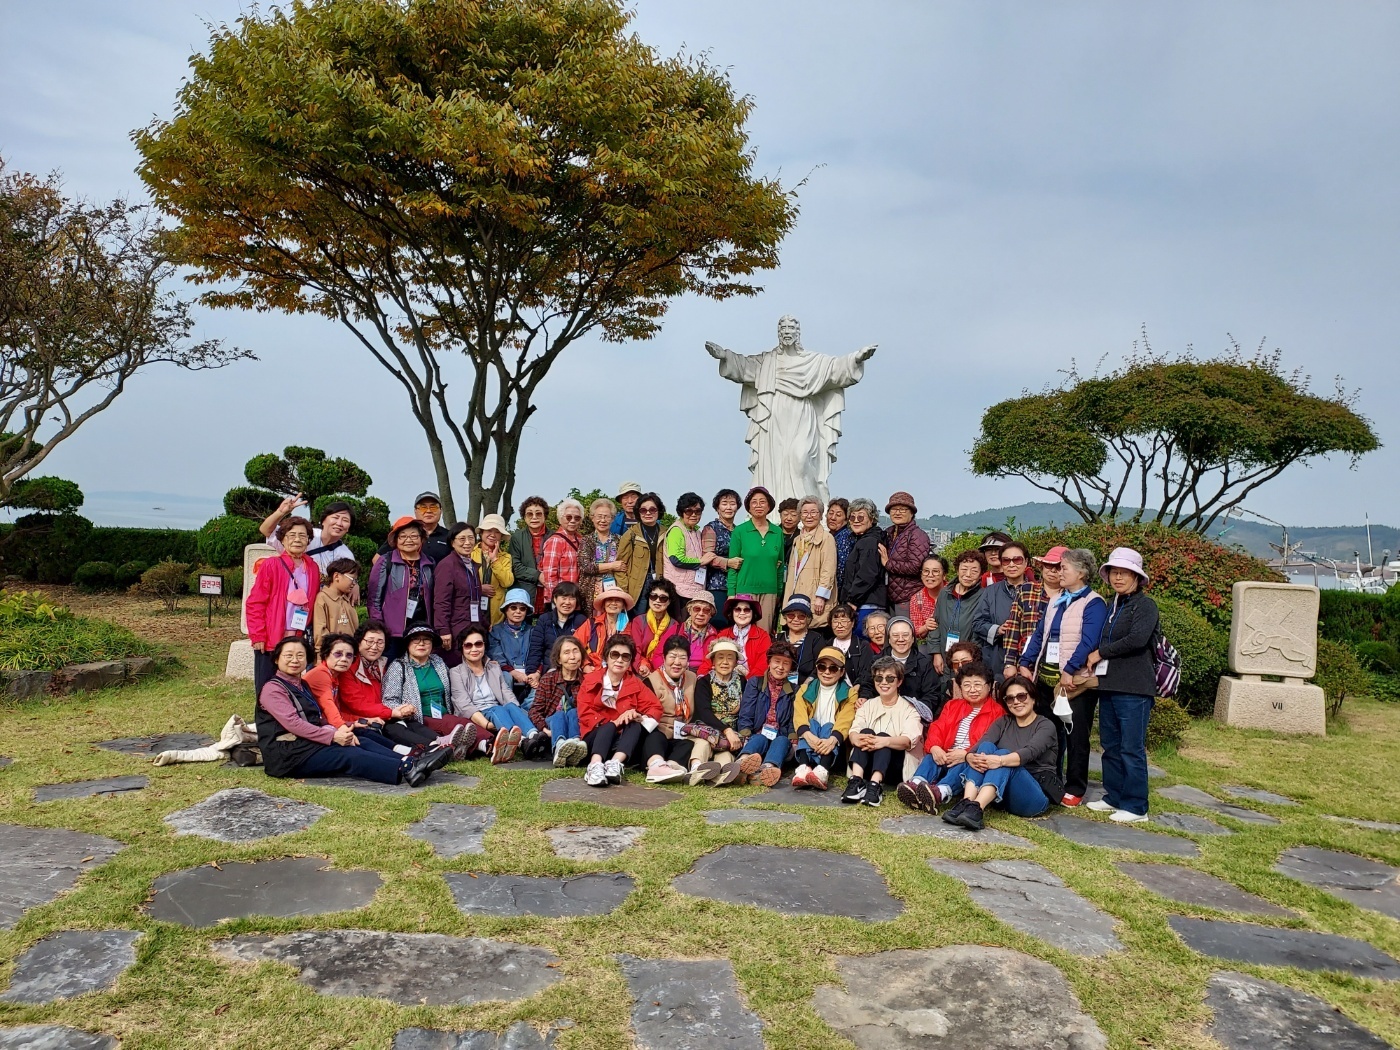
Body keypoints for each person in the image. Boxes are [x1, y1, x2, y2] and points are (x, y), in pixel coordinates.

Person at [256, 636, 449, 787]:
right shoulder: (273, 689)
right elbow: (293, 723)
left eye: (300, 655)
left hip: (306, 744)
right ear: (277, 659)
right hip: (287, 755)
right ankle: (406, 768)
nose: (295, 660)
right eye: (288, 656)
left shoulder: (301, 684)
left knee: (359, 739)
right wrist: (333, 735)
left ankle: (411, 761)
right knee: (348, 755)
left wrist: (344, 728)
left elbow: (317, 717)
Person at [1018, 547, 1106, 807]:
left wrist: (1070, 668)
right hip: (1046, 678)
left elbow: (1089, 640)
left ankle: (1076, 786)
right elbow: (1040, 634)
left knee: (1075, 735)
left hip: (1074, 683)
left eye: (1064, 568)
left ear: (1081, 572)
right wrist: (1025, 662)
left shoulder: (1094, 603)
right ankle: (1050, 778)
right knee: (1048, 733)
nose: (1059, 572)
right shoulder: (1058, 599)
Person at [1083, 547, 1160, 824]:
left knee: (1131, 747)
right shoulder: (1113, 605)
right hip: (1109, 685)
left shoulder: (1145, 605)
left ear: (1137, 577)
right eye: (1114, 572)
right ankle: (1114, 796)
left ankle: (1137, 806)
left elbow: (1137, 639)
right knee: (1110, 745)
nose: (1118, 578)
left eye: (1124, 573)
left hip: (1134, 687)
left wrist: (1101, 653)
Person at [940, 679, 1063, 830]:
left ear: (1033, 698)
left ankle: (977, 807)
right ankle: (967, 802)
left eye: (1021, 696)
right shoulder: (1003, 722)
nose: (1016, 702)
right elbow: (980, 745)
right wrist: (969, 756)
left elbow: (1029, 753)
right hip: (1003, 793)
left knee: (1004, 755)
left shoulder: (1046, 726)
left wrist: (999, 760)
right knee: (986, 747)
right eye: (1010, 698)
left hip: (1034, 796)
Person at [332, 621, 470, 755]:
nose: (374, 646)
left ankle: (440, 742)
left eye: (380, 642)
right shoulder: (350, 667)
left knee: (409, 723)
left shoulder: (380, 666)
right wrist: (391, 712)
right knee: (394, 727)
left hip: (380, 715)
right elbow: (357, 703)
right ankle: (436, 747)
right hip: (359, 719)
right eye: (369, 641)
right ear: (359, 642)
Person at [897, 661, 1005, 813]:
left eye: (977, 685)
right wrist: (935, 747)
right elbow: (938, 727)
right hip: (946, 753)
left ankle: (940, 792)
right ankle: (915, 786)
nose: (972, 690)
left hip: (969, 757)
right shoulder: (953, 705)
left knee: (964, 764)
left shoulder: (998, 712)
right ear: (960, 688)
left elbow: (989, 741)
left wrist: (966, 754)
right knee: (931, 757)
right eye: (966, 685)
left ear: (989, 686)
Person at [246, 516, 320, 697]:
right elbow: (255, 602)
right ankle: (264, 716)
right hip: (271, 637)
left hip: (297, 636)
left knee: (291, 686)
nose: (297, 540)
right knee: (266, 687)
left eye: (302, 536)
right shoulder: (271, 565)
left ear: (308, 540)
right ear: (283, 539)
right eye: (291, 535)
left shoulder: (313, 567)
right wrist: (258, 635)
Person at [578, 633, 665, 787]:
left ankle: (615, 764)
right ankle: (594, 765)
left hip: (623, 741)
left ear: (630, 662)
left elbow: (655, 708)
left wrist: (639, 716)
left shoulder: (635, 683)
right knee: (609, 727)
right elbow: (585, 713)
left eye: (625, 657)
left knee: (634, 723)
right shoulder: (590, 680)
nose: (619, 660)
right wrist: (615, 722)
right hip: (597, 737)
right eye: (615, 654)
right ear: (606, 657)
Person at [447, 625, 543, 762]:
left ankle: (534, 736)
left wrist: (516, 711)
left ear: (484, 646)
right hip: (477, 715)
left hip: (498, 711)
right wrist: (486, 724)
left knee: (510, 705)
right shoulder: (456, 672)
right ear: (462, 648)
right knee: (498, 709)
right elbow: (463, 705)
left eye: (478, 644)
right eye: (468, 645)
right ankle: (522, 741)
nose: (474, 649)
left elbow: (506, 692)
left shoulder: (494, 667)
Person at [382, 623, 483, 753]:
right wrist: (403, 709)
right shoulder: (398, 666)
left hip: (444, 714)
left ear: (432, 644)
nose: (421, 643)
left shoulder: (438, 662)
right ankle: (487, 744)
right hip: (419, 719)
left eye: (426, 640)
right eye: (416, 639)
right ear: (408, 644)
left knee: (458, 722)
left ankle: (474, 746)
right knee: (455, 724)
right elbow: (388, 700)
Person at [843, 655, 925, 806]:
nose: (884, 683)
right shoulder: (867, 706)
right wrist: (857, 738)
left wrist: (884, 741)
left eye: (890, 678)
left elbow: (908, 741)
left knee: (883, 737)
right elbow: (854, 731)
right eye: (879, 678)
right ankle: (856, 781)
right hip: (866, 763)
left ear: (899, 681)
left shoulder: (910, 709)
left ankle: (875, 786)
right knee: (865, 731)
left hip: (894, 768)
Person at [367, 516, 439, 660]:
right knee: (392, 666)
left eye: (414, 536)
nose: (409, 540)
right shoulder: (386, 561)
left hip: (421, 628)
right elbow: (374, 597)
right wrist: (379, 626)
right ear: (395, 540)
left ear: (421, 538)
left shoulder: (429, 563)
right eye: (403, 536)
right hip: (392, 631)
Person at [791, 645, 858, 791]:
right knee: (810, 723)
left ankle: (823, 770)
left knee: (828, 726)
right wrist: (809, 736)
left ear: (842, 672)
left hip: (834, 745)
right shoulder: (804, 689)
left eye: (833, 668)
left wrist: (832, 740)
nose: (826, 672)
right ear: (817, 668)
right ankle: (803, 768)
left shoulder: (850, 693)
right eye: (822, 667)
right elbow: (799, 716)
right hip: (809, 740)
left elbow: (845, 721)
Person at [735, 639, 799, 787]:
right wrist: (745, 734)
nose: (780, 667)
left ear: (791, 667)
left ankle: (766, 770)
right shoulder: (755, 683)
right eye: (777, 661)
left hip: (781, 737)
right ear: (769, 662)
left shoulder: (794, 690)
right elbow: (746, 713)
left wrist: (794, 740)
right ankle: (741, 763)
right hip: (757, 735)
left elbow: (793, 720)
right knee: (759, 738)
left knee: (781, 741)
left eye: (786, 663)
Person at [642, 636, 705, 783]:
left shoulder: (692, 678)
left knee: (689, 744)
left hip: (682, 735)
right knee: (654, 737)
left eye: (682, 657)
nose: (677, 662)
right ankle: (656, 765)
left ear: (688, 661)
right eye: (672, 656)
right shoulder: (651, 681)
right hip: (659, 734)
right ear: (664, 658)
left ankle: (672, 766)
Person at [689, 638, 749, 785]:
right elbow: (704, 712)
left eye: (730, 658)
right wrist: (726, 730)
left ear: (736, 662)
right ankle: (696, 771)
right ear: (713, 661)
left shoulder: (742, 681)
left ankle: (720, 777)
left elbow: (746, 710)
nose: (725, 662)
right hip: (707, 730)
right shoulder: (704, 682)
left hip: (730, 736)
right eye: (720, 657)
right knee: (703, 744)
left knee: (726, 754)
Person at [972, 540, 1034, 677]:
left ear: (1026, 562)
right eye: (1006, 561)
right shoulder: (990, 592)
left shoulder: (1037, 592)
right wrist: (997, 629)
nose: (1011, 565)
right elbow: (977, 623)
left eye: (1017, 560)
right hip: (997, 658)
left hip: (1030, 659)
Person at [726, 487, 786, 630]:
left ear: (769, 506)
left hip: (769, 591)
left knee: (763, 633)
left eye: (762, 502)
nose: (758, 505)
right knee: (742, 631)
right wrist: (731, 593)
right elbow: (733, 566)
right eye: (754, 502)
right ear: (748, 507)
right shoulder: (740, 531)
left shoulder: (777, 532)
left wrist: (778, 592)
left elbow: (780, 566)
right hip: (744, 590)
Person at [1001, 545, 1064, 680]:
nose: (1052, 570)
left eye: (1058, 567)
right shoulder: (1026, 590)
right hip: (1025, 662)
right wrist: (1009, 663)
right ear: (1042, 566)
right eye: (1048, 565)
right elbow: (1013, 626)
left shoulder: (1071, 596)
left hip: (1057, 664)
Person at [260, 497, 358, 578]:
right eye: (335, 517)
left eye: (345, 520)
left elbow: (348, 581)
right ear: (323, 520)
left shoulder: (346, 555)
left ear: (348, 528)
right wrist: (280, 512)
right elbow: (266, 530)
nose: (339, 523)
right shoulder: (304, 534)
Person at [529, 634, 589, 767]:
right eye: (566, 653)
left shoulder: (587, 681)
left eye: (575, 651)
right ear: (559, 659)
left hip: (577, 724)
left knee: (573, 712)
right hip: (553, 723)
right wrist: (544, 729)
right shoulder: (548, 679)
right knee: (560, 714)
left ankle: (576, 745)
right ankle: (559, 746)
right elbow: (534, 711)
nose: (572, 657)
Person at [433, 522, 485, 665]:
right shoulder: (447, 565)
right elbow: (441, 601)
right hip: (455, 627)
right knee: (456, 666)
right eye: (462, 539)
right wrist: (443, 630)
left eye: (471, 538)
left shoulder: (472, 565)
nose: (467, 543)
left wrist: (484, 623)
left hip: (473, 625)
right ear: (452, 542)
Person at [783, 495, 837, 628]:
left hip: (815, 596)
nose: (809, 516)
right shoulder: (798, 540)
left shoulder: (826, 538)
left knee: (815, 628)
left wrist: (821, 597)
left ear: (820, 515)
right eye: (805, 512)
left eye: (813, 512)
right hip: (797, 594)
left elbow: (828, 570)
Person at [931, 550, 986, 677]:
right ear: (957, 570)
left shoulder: (983, 596)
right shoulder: (945, 593)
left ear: (980, 575)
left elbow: (980, 633)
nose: (968, 574)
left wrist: (969, 659)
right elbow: (935, 624)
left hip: (968, 661)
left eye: (974, 571)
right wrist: (936, 653)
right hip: (943, 657)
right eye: (964, 569)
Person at [839, 498, 886, 634]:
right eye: (852, 517)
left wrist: (852, 600)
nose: (856, 521)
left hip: (865, 604)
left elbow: (867, 574)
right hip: (867, 602)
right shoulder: (865, 540)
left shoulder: (868, 542)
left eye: (860, 517)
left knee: (862, 641)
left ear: (871, 519)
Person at [525, 581, 586, 681]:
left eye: (572, 598)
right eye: (564, 598)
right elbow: (536, 649)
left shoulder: (582, 621)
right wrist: (532, 673)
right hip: (549, 671)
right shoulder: (544, 619)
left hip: (574, 672)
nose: (567, 602)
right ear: (555, 599)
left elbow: (585, 651)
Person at [882, 492, 930, 618]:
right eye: (894, 509)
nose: (897, 513)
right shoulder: (888, 533)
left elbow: (915, 566)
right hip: (890, 597)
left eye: (902, 509)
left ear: (912, 513)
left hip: (908, 596)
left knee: (905, 629)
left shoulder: (917, 535)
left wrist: (888, 563)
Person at [884, 615, 942, 719]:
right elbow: (868, 688)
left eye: (905, 635)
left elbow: (932, 695)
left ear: (912, 638)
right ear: (888, 639)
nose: (901, 639)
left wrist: (913, 711)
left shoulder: (924, 664)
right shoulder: (877, 662)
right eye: (895, 635)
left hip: (914, 716)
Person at [700, 488, 741, 628]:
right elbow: (708, 556)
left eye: (732, 504)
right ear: (717, 508)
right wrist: (728, 563)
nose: (728, 507)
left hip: (737, 585)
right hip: (717, 585)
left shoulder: (739, 530)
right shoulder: (711, 528)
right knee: (719, 624)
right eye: (724, 503)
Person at [617, 491, 667, 607]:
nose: (648, 513)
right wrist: (624, 590)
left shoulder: (666, 533)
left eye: (652, 509)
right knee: (639, 617)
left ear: (659, 511)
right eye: (643, 510)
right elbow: (620, 565)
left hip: (660, 583)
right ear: (638, 512)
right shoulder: (631, 534)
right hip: (638, 586)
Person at [662, 491, 708, 612]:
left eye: (698, 511)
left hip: (693, 589)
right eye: (689, 511)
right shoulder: (676, 530)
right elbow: (676, 559)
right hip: (678, 590)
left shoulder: (696, 531)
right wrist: (700, 562)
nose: (693, 514)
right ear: (681, 512)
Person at [578, 497, 624, 613]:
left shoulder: (620, 540)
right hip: (592, 590)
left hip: (614, 590)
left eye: (606, 516)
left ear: (612, 519)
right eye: (599, 516)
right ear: (592, 518)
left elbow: (624, 565)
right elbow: (585, 566)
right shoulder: (586, 540)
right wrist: (612, 566)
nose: (602, 520)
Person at [488, 588, 535, 701]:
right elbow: (496, 656)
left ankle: (526, 709)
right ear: (506, 610)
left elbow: (537, 653)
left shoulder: (533, 631)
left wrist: (535, 673)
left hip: (529, 673)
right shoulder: (496, 631)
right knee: (505, 677)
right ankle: (509, 707)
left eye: (522, 609)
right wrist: (513, 672)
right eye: (513, 607)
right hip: (506, 672)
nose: (518, 612)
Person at [508, 495, 552, 614]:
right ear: (524, 517)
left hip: (549, 592)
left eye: (538, 514)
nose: (534, 517)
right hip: (524, 593)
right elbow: (515, 566)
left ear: (545, 516)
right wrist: (538, 575)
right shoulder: (517, 537)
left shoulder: (554, 537)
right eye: (529, 514)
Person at [630, 578, 682, 676]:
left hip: (665, 670)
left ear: (669, 601)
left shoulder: (675, 626)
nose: (657, 601)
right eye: (653, 596)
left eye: (663, 598)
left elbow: (673, 653)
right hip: (641, 669)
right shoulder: (638, 621)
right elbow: (635, 650)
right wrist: (642, 665)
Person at [576, 585, 635, 670]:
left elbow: (634, 652)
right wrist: (585, 665)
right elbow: (576, 644)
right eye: (609, 600)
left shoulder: (629, 626)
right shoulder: (591, 623)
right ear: (604, 604)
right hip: (593, 668)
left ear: (623, 606)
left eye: (618, 600)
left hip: (619, 669)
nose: (613, 603)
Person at [539, 497, 584, 605]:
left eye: (577, 518)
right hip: (561, 600)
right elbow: (549, 576)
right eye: (568, 517)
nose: (573, 521)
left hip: (576, 598)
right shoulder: (555, 541)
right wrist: (556, 600)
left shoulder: (581, 540)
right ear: (560, 518)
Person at [825, 603, 876, 698]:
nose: (839, 626)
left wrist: (855, 691)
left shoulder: (863, 645)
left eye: (844, 621)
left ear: (852, 623)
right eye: (835, 622)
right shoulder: (826, 645)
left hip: (855, 693)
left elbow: (866, 674)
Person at [716, 595, 771, 680]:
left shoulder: (763, 636)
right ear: (732, 612)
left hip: (750, 681)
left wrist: (748, 681)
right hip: (723, 678)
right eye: (738, 609)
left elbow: (762, 665)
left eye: (747, 610)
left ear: (753, 613)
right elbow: (709, 660)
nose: (742, 613)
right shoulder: (722, 634)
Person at [473, 514, 515, 626]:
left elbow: (507, 582)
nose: (492, 535)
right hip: (471, 611)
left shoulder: (505, 557)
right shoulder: (470, 553)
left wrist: (495, 560)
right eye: (489, 530)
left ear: (501, 536)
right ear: (481, 532)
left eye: (497, 532)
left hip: (495, 616)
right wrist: (478, 588)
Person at [774, 595, 823, 685]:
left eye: (801, 616)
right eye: (791, 615)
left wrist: (805, 686)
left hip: (807, 687)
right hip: (778, 685)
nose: (796, 619)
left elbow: (819, 667)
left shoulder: (816, 639)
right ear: (785, 617)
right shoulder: (778, 638)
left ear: (808, 619)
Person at [313, 557, 360, 649]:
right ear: (336, 576)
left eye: (356, 580)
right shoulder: (322, 598)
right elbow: (320, 633)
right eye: (352, 579)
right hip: (331, 653)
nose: (354, 583)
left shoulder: (348, 599)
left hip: (350, 652)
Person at [910, 555, 947, 654]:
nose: (930, 575)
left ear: (944, 575)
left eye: (935, 571)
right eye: (926, 571)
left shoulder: (953, 593)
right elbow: (915, 630)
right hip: (929, 644)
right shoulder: (917, 599)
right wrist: (926, 626)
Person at [679, 592, 718, 675]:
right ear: (690, 611)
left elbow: (713, 662)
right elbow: (659, 654)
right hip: (677, 670)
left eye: (706, 610)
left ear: (711, 614)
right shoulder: (677, 629)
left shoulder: (715, 636)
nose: (701, 613)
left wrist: (700, 676)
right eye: (697, 609)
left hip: (702, 674)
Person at [827, 497, 854, 583]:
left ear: (847, 519)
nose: (833, 518)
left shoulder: (846, 537)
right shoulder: (830, 535)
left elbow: (841, 571)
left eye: (838, 515)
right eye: (830, 513)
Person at [778, 497, 801, 565]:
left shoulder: (802, 536)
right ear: (780, 515)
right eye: (785, 514)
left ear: (800, 517)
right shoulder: (772, 533)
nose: (789, 518)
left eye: (793, 515)